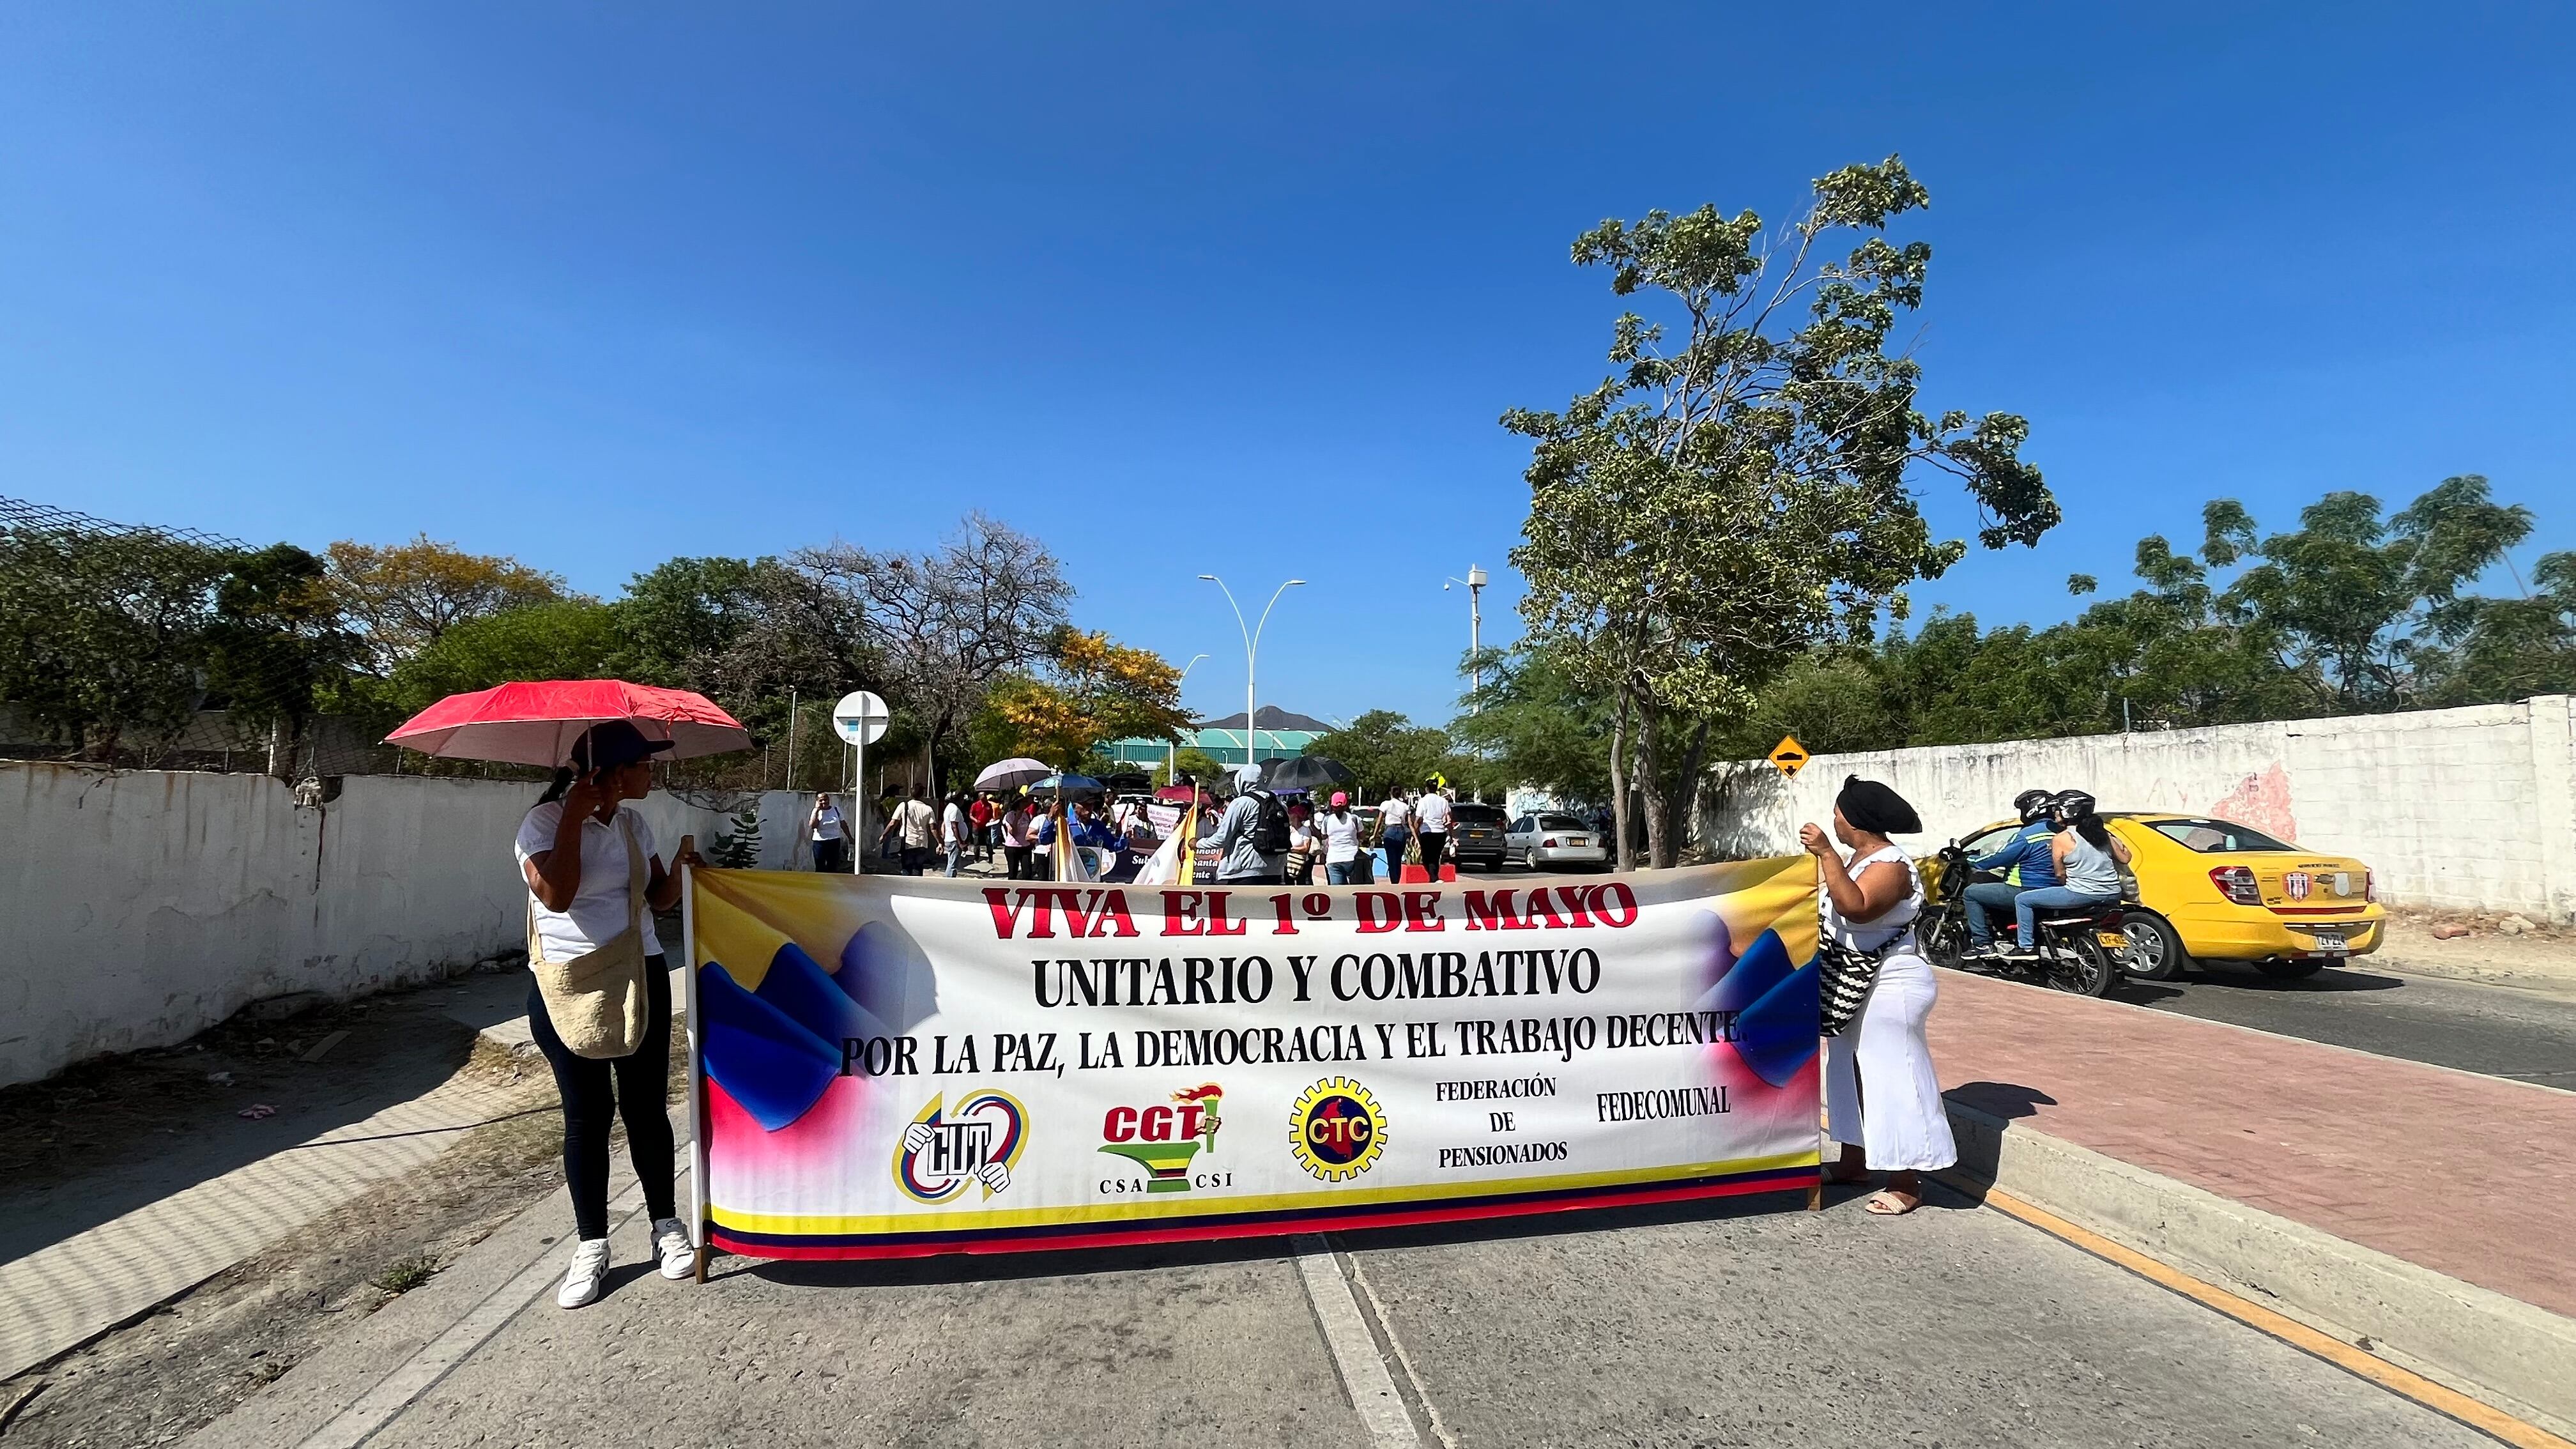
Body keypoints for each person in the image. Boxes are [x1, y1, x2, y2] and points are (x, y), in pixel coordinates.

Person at [515, 721, 706, 1307]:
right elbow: (556, 895)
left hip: (639, 972)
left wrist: (682, 870)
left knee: (646, 1107)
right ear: (612, 772)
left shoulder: (633, 822)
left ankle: (666, 1228)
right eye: (645, 765)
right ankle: (592, 1244)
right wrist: (574, 815)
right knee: (587, 1115)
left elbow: (658, 900)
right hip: (568, 986)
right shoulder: (539, 824)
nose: (653, 773)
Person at [1802, 775, 1956, 1216]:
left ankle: (1907, 1181)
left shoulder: (1891, 865)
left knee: (1894, 1077)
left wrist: (1827, 854)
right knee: (1847, 1072)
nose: (1834, 820)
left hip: (1891, 984)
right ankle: (1855, 1163)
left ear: (1856, 819)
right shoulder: (1858, 860)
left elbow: (1856, 907)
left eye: (1838, 813)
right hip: (1852, 983)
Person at [2004, 790, 2133, 959]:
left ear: (2068, 811)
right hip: (2113, 894)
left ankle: (2026, 947)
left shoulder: (2062, 838)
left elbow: (2059, 874)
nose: (2054, 813)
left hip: (2082, 894)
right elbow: (2125, 858)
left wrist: (2067, 885)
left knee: (2023, 900)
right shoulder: (2102, 835)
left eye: (2057, 809)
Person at [1964, 788, 2060, 953]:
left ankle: (1982, 944)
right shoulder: (2060, 831)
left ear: (2031, 809)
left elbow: (1998, 858)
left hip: (2023, 890)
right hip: (2056, 890)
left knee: (1971, 893)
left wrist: (1971, 860)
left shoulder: (2026, 835)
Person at [1209, 770, 1288, 885]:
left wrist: (1197, 844)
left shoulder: (1240, 804)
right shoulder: (1279, 803)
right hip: (1274, 872)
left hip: (1243, 872)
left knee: (1241, 903)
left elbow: (1222, 839)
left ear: (1241, 781)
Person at [885, 786, 936, 875]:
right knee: (918, 868)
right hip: (922, 843)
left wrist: (884, 835)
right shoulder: (928, 809)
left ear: (911, 794)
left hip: (907, 842)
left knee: (906, 868)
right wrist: (940, 842)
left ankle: (906, 887)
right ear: (922, 795)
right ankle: (916, 887)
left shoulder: (904, 806)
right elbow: (933, 828)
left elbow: (893, 823)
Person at [1319, 792, 1364, 884]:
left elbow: (1324, 836)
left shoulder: (1327, 820)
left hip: (1334, 860)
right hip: (1353, 859)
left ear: (1332, 806)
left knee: (1338, 894)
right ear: (1346, 805)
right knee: (1355, 892)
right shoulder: (1354, 819)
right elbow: (1362, 835)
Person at [1413, 784, 1453, 879]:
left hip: (1427, 832)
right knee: (1436, 856)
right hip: (1440, 832)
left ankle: (1434, 877)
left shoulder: (1423, 801)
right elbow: (1449, 818)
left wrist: (1415, 831)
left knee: (1427, 857)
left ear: (1426, 789)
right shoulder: (1443, 801)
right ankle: (1434, 877)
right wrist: (1451, 835)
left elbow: (1419, 819)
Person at [1377, 789, 1412, 884]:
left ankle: (1394, 881)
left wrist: (1375, 834)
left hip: (1390, 830)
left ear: (1390, 793)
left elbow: (1380, 820)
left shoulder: (1386, 804)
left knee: (1391, 858)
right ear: (1400, 794)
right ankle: (1397, 880)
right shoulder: (1405, 806)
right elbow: (1409, 823)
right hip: (1401, 830)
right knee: (1398, 859)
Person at [808, 792, 848, 873]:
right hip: (820, 842)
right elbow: (813, 826)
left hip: (834, 841)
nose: (824, 802)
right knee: (820, 866)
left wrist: (850, 837)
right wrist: (817, 810)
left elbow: (843, 824)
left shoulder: (836, 809)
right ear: (817, 802)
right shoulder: (816, 812)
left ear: (829, 800)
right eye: (821, 800)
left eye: (825, 800)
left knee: (833, 866)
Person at [1000, 795, 1036, 880]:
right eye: (1023, 802)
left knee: (1027, 873)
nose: (1025, 804)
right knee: (1013, 873)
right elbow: (1013, 832)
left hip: (1025, 847)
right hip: (1013, 847)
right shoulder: (1009, 816)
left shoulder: (1026, 814)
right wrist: (1017, 818)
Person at [1284, 800, 1317, 885]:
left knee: (1301, 885)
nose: (1289, 816)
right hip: (1289, 862)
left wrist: (1291, 849)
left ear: (1296, 816)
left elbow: (1306, 848)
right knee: (1289, 886)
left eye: (1291, 814)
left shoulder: (1305, 830)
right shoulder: (1288, 829)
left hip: (1301, 864)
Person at [941, 792, 972, 877]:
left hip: (951, 839)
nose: (963, 801)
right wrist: (960, 842)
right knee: (953, 864)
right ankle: (949, 882)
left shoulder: (949, 808)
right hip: (954, 840)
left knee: (952, 863)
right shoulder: (954, 809)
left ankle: (950, 879)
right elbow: (954, 826)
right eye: (962, 799)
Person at [969, 793, 995, 863]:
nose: (985, 799)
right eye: (983, 798)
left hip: (986, 826)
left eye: (985, 797)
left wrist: (992, 820)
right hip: (976, 827)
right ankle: (976, 859)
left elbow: (991, 815)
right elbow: (971, 815)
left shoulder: (989, 805)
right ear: (980, 798)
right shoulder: (975, 805)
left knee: (989, 842)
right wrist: (976, 820)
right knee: (977, 844)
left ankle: (991, 859)